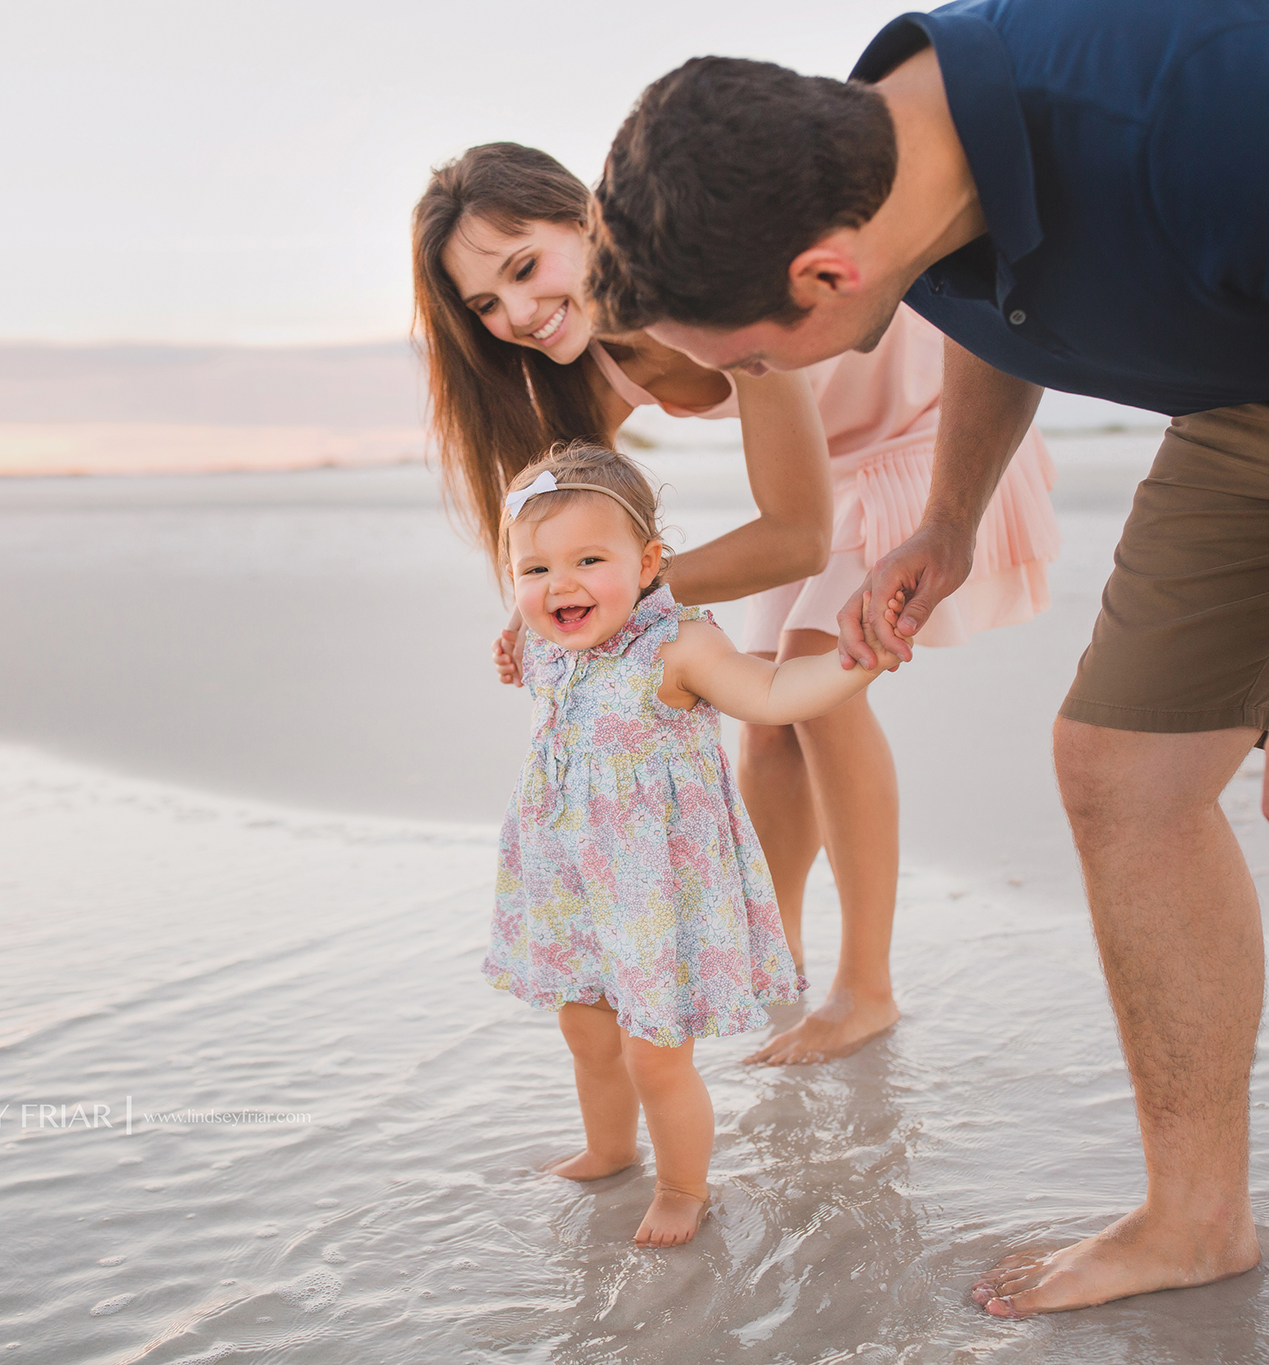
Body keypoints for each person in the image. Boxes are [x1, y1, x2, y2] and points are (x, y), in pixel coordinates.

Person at [587, 0, 1269, 1358]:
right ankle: (1195, 1216)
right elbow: (989, 304)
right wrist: (948, 520)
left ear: (828, 276)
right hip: (1257, 402)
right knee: (1119, 771)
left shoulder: (1214, 107)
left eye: (750, 362)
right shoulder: (876, 158)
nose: (752, 387)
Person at [413, 142, 1058, 1065]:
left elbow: (793, 537)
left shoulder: (712, 288)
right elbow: (565, 528)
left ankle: (866, 987)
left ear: (588, 215)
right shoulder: (594, 367)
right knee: (759, 722)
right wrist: (539, 607)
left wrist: (635, 589)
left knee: (817, 692)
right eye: (485, 304)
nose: (516, 312)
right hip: (835, 474)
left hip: (933, 438)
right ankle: (780, 958)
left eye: (524, 267)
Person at [482, 442, 885, 1245]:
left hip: (655, 894)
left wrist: (853, 665)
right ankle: (608, 1146)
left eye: (589, 559)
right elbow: (538, 668)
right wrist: (517, 637)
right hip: (573, 886)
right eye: (534, 570)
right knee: (585, 1031)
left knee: (656, 1055)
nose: (559, 584)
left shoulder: (678, 647)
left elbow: (772, 694)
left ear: (648, 563)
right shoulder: (545, 645)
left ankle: (682, 1185)